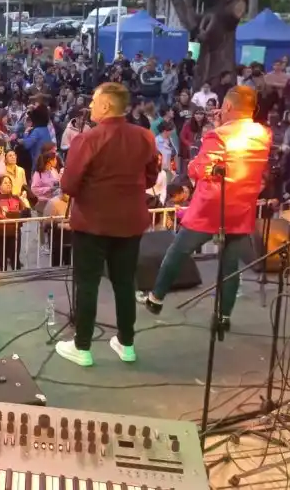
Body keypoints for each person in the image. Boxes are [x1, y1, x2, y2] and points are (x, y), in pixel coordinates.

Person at [142, 86, 272, 328]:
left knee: (178, 250)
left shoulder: (217, 136)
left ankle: (156, 297)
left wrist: (198, 155)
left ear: (229, 107)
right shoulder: (263, 134)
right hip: (241, 207)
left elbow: (200, 170)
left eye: (223, 105)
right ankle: (223, 317)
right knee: (229, 264)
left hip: (211, 206)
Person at [55, 82, 160, 368]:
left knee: (87, 284)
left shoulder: (88, 140)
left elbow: (68, 184)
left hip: (92, 223)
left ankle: (83, 347)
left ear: (105, 106)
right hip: (130, 222)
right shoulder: (145, 137)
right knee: (125, 283)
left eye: (93, 101)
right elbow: (151, 177)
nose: (89, 106)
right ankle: (127, 344)